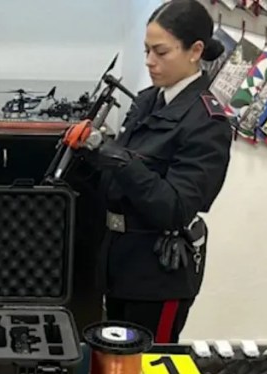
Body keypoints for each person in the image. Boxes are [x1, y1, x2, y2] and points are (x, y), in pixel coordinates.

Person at [87, 0, 233, 343]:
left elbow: (176, 207)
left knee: (149, 363)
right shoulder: (148, 100)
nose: (150, 61)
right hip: (119, 263)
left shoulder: (206, 121)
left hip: (159, 273)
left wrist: (123, 163)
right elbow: (116, 186)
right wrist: (92, 157)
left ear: (195, 51)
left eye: (161, 52)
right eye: (147, 50)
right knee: (113, 360)